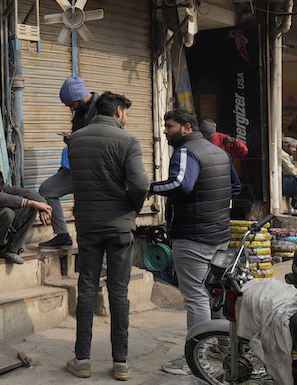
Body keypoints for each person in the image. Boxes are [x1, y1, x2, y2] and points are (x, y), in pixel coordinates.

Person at [64, 92, 149, 381]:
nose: (126, 117)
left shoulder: (75, 139)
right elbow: (140, 184)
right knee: (119, 291)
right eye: (125, 112)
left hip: (88, 225)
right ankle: (121, 363)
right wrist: (133, 208)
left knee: (86, 289)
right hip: (120, 227)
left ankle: (82, 360)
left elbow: (78, 179)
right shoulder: (128, 141)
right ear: (117, 112)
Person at [151, 109, 241, 375]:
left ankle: (195, 358)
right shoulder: (220, 153)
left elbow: (181, 185)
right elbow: (234, 188)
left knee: (196, 297)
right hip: (219, 236)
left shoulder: (186, 152)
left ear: (187, 128)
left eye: (169, 126)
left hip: (192, 236)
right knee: (214, 294)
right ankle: (220, 347)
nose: (165, 131)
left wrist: (150, 186)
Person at [39, 77, 100, 249]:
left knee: (91, 216)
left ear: (79, 97)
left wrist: (77, 141)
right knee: (47, 190)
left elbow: (102, 141)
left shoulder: (101, 108)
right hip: (76, 166)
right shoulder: (80, 111)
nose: (71, 109)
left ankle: (102, 265)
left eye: (71, 104)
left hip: (94, 171)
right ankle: (63, 235)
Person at [0, 151, 52, 264]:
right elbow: (1, 198)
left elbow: (25, 192)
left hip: (1, 231)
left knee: (31, 209)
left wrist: (43, 206)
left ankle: (10, 250)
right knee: (7, 212)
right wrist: (31, 203)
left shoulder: (1, 185)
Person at [280, 137, 297, 213]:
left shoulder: (288, 155)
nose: (295, 150)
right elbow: (292, 171)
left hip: (285, 179)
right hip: (282, 181)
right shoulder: (283, 155)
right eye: (293, 147)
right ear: (286, 147)